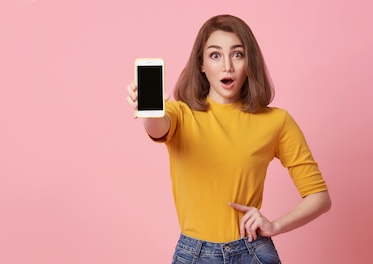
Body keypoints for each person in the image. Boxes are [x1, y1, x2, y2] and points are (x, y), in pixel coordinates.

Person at [125, 14, 331, 264]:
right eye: (215, 55)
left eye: (237, 54)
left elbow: (319, 197)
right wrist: (150, 109)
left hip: (253, 251)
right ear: (201, 64)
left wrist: (275, 225)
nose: (227, 66)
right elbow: (158, 128)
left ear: (249, 61)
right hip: (195, 254)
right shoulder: (180, 114)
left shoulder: (277, 121)